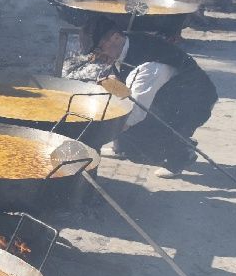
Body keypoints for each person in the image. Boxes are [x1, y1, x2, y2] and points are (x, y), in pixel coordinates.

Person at [67, 16, 217, 172]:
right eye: (93, 54)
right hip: (169, 93)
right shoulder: (125, 43)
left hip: (194, 102)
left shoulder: (148, 67)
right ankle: (121, 148)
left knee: (138, 138)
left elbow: (134, 113)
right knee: (115, 101)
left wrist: (92, 138)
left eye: (99, 49)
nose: (97, 57)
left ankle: (180, 154)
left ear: (115, 37)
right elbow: (120, 87)